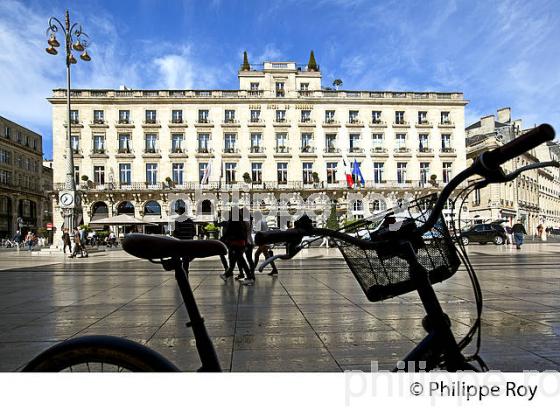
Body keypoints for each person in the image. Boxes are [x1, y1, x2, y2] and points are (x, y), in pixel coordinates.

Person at [219, 208, 254, 285]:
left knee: (240, 260)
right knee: (236, 259)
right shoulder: (241, 221)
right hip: (241, 242)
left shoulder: (233, 221)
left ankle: (249, 277)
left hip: (235, 243)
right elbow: (245, 232)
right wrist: (245, 242)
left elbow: (228, 231)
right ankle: (227, 275)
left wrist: (222, 239)